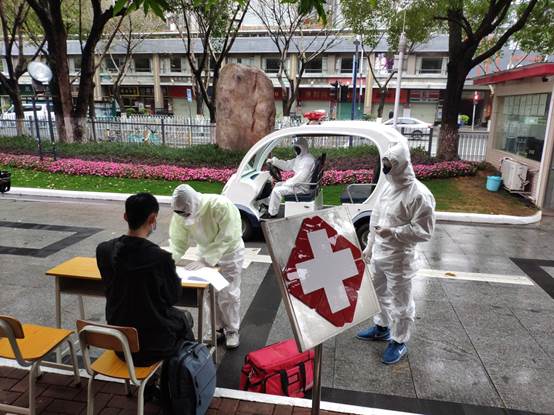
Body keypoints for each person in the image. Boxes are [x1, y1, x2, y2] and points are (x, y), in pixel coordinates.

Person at [356, 142, 435, 365]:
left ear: (402, 165)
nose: (386, 168)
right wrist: (370, 245)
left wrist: (394, 232)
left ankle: (399, 340)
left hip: (400, 258)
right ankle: (381, 327)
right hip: (379, 254)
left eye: (389, 164)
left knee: (401, 301)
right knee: (377, 293)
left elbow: (425, 232)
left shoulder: (419, 195)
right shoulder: (388, 187)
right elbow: (376, 216)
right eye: (385, 164)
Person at [96, 192, 194, 367]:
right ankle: (181, 372)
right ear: (152, 219)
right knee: (184, 319)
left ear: (125, 216)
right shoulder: (160, 258)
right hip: (155, 346)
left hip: (120, 343)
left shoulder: (103, 250)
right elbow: (172, 297)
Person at [169, 184, 245, 350]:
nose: (183, 216)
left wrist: (207, 260)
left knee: (228, 294)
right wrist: (169, 261)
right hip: (205, 253)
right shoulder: (181, 212)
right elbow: (178, 240)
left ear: (193, 203)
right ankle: (216, 328)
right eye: (180, 213)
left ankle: (232, 330)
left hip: (229, 254)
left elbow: (228, 236)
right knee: (208, 294)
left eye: (185, 213)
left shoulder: (219, 205)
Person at [265, 137, 316, 217]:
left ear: (303, 147)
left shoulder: (307, 161)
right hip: (299, 185)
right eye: (295, 148)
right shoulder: (301, 157)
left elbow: (301, 177)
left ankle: (272, 214)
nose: (296, 151)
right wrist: (274, 161)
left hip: (302, 188)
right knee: (278, 184)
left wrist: (287, 183)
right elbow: (287, 165)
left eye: (297, 148)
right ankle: (269, 206)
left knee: (276, 191)